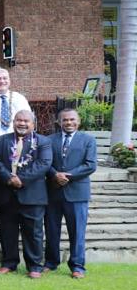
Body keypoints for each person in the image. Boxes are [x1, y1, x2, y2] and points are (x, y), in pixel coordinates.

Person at [0, 110, 52, 278]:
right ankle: (8, 263)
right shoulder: (0, 141)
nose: (22, 123)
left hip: (32, 195)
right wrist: (8, 177)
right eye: (19, 120)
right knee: (7, 231)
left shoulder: (43, 142)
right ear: (13, 122)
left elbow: (44, 163)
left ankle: (34, 266)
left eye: (26, 121)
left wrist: (22, 179)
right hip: (7, 194)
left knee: (33, 233)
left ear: (33, 124)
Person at [44, 108, 97, 278]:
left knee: (77, 231)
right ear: (59, 122)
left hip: (77, 193)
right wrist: (55, 175)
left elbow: (90, 165)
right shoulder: (49, 140)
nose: (69, 122)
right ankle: (51, 262)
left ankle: (77, 266)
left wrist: (67, 176)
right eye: (65, 120)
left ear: (78, 121)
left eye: (72, 119)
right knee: (51, 230)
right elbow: (45, 162)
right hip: (53, 192)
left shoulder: (88, 140)